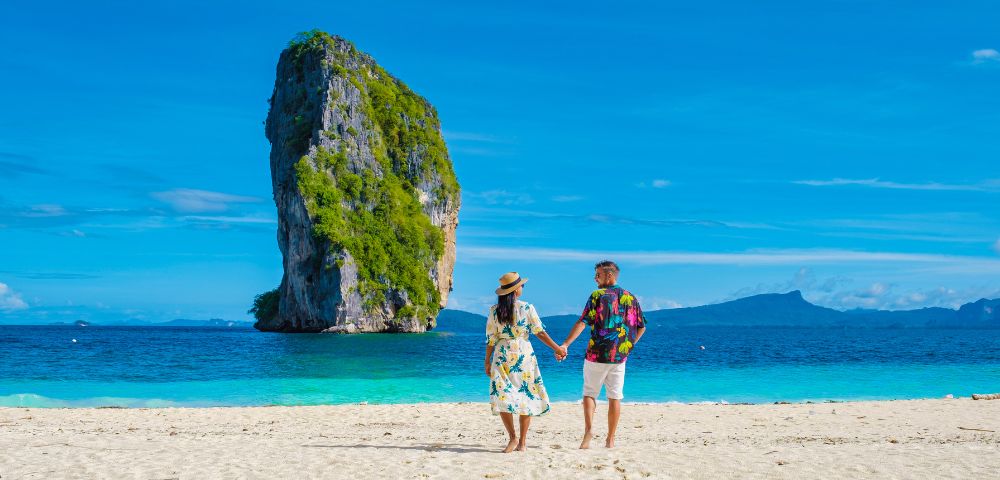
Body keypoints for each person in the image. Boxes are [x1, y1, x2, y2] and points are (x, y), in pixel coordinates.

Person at [559, 260, 647, 449]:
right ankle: (611, 439)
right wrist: (628, 346)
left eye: (597, 275)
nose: (595, 278)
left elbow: (582, 322)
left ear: (609, 275)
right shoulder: (631, 297)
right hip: (619, 358)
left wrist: (566, 344)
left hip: (596, 354)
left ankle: (589, 430)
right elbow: (641, 327)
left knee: (589, 394)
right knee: (615, 397)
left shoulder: (597, 295)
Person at [485, 272, 568, 453]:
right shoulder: (527, 308)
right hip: (523, 354)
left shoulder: (494, 310)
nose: (522, 288)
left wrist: (486, 360)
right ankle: (522, 442)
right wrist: (557, 348)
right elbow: (539, 332)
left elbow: (491, 339)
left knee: (502, 395)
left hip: (502, 354)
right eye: (521, 285)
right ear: (516, 290)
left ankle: (512, 438)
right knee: (526, 395)